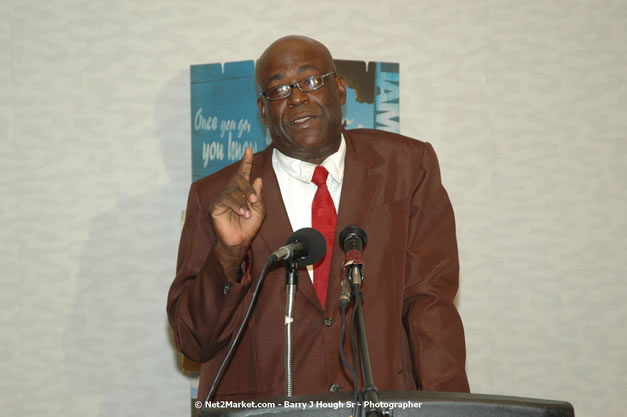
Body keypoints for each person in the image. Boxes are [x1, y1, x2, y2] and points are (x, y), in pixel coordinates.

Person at [167, 35, 470, 403]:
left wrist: (453, 410)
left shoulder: (406, 168)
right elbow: (192, 342)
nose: (296, 98)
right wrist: (229, 256)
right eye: (278, 90)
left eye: (310, 82)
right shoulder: (218, 196)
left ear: (340, 89)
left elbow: (430, 308)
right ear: (263, 111)